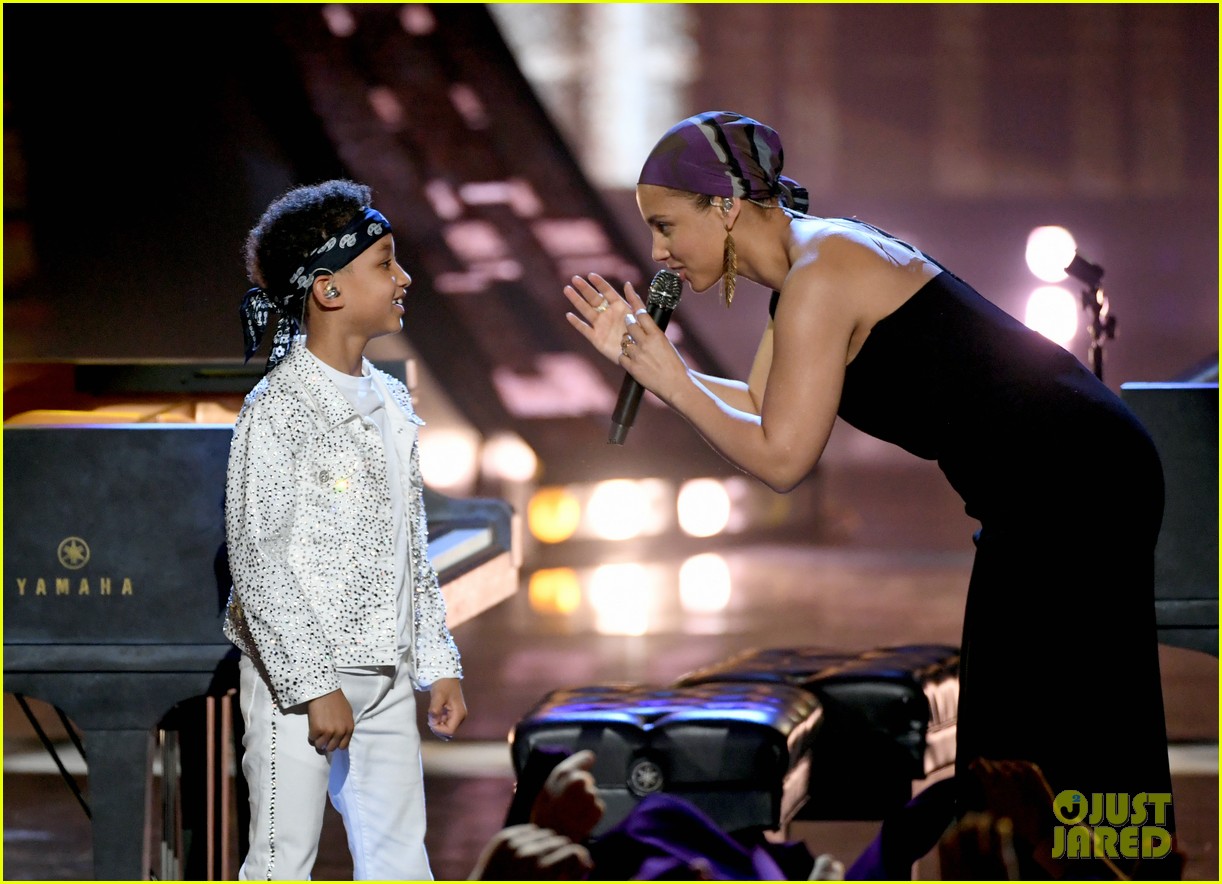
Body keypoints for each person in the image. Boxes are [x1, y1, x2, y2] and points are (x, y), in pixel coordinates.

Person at [562, 111, 1175, 876]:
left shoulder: (822, 274)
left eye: (664, 225)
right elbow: (763, 407)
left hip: (1076, 482)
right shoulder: (803, 276)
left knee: (1053, 735)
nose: (657, 252)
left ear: (723, 206)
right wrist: (650, 365)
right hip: (1046, 488)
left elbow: (784, 458)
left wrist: (674, 382)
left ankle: (1109, 872)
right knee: (1026, 735)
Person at [224, 179, 466, 880]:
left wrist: (439, 662)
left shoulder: (391, 398)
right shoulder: (276, 411)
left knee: (400, 862)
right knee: (280, 861)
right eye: (386, 262)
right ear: (328, 290)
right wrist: (311, 682)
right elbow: (257, 562)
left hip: (386, 676)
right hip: (295, 685)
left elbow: (409, 550)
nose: (405, 277)